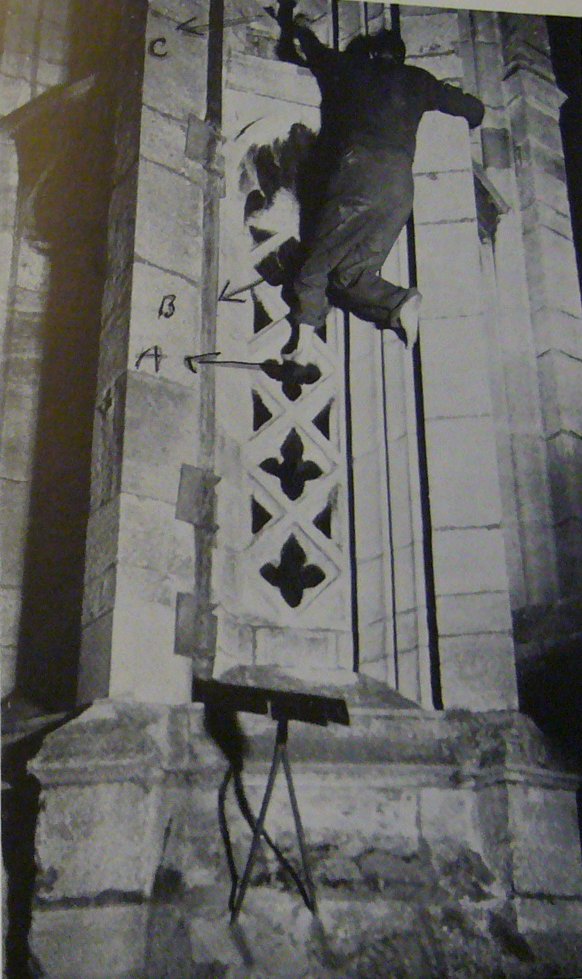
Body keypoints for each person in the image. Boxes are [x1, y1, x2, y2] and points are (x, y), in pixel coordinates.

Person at [271, 2, 485, 357]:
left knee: (315, 266)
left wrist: (294, 24)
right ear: (401, 57)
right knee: (351, 277)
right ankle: (399, 302)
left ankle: (302, 348)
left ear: (371, 53)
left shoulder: (355, 69)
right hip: (399, 188)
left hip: (359, 177)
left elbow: (309, 50)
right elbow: (473, 110)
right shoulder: (419, 80)